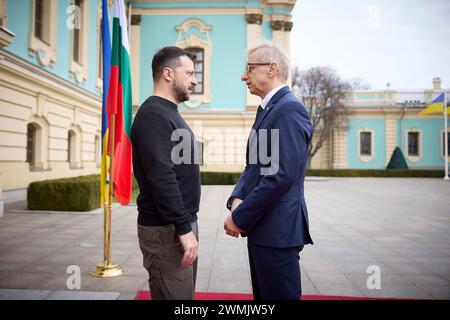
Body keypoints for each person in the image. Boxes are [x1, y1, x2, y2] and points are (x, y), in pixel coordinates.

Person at [224, 43, 313, 300]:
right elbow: (255, 166)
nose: (244, 76)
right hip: (266, 229)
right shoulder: (270, 108)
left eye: (249, 69)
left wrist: (240, 218)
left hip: (278, 231)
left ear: (271, 69)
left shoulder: (289, 109)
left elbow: (280, 175)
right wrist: (237, 199)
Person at [131, 46, 200, 300]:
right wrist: (183, 229)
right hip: (166, 230)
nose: (195, 80)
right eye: (190, 73)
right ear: (168, 74)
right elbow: (162, 176)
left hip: (178, 224)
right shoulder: (152, 115)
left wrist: (187, 225)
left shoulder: (168, 113)